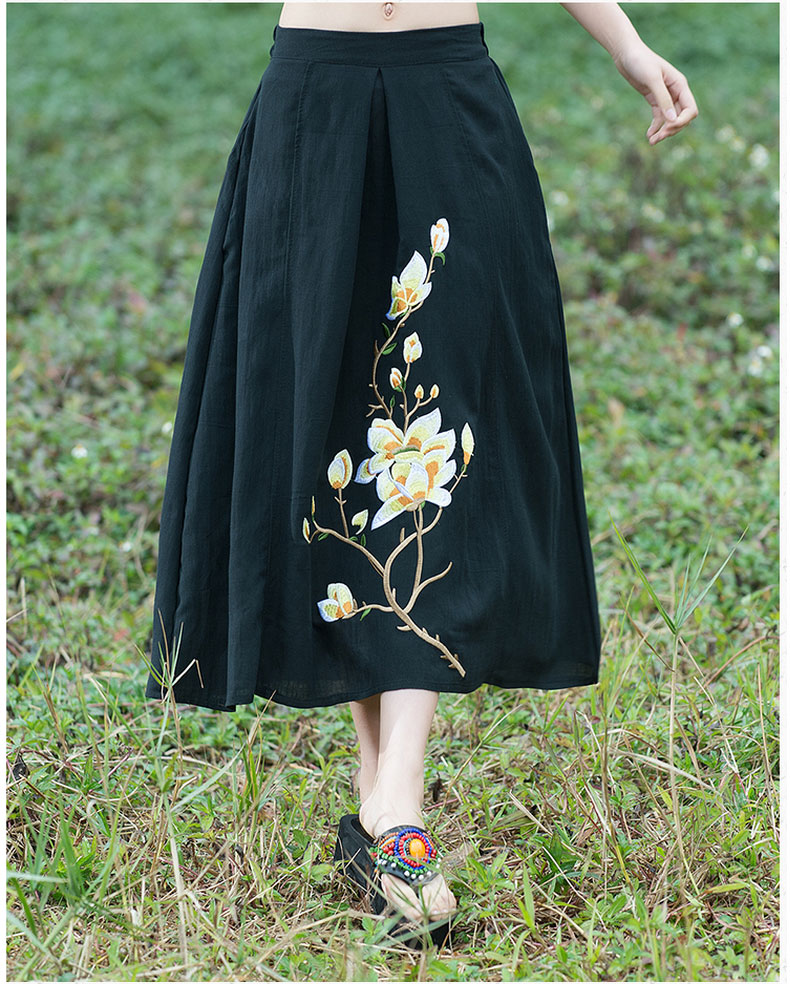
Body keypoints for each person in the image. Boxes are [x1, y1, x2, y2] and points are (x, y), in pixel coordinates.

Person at [145, 0, 697, 947]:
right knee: (337, 437)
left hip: (450, 102)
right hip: (315, 106)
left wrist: (628, 44)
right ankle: (381, 806)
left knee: (438, 438)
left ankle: (397, 796)